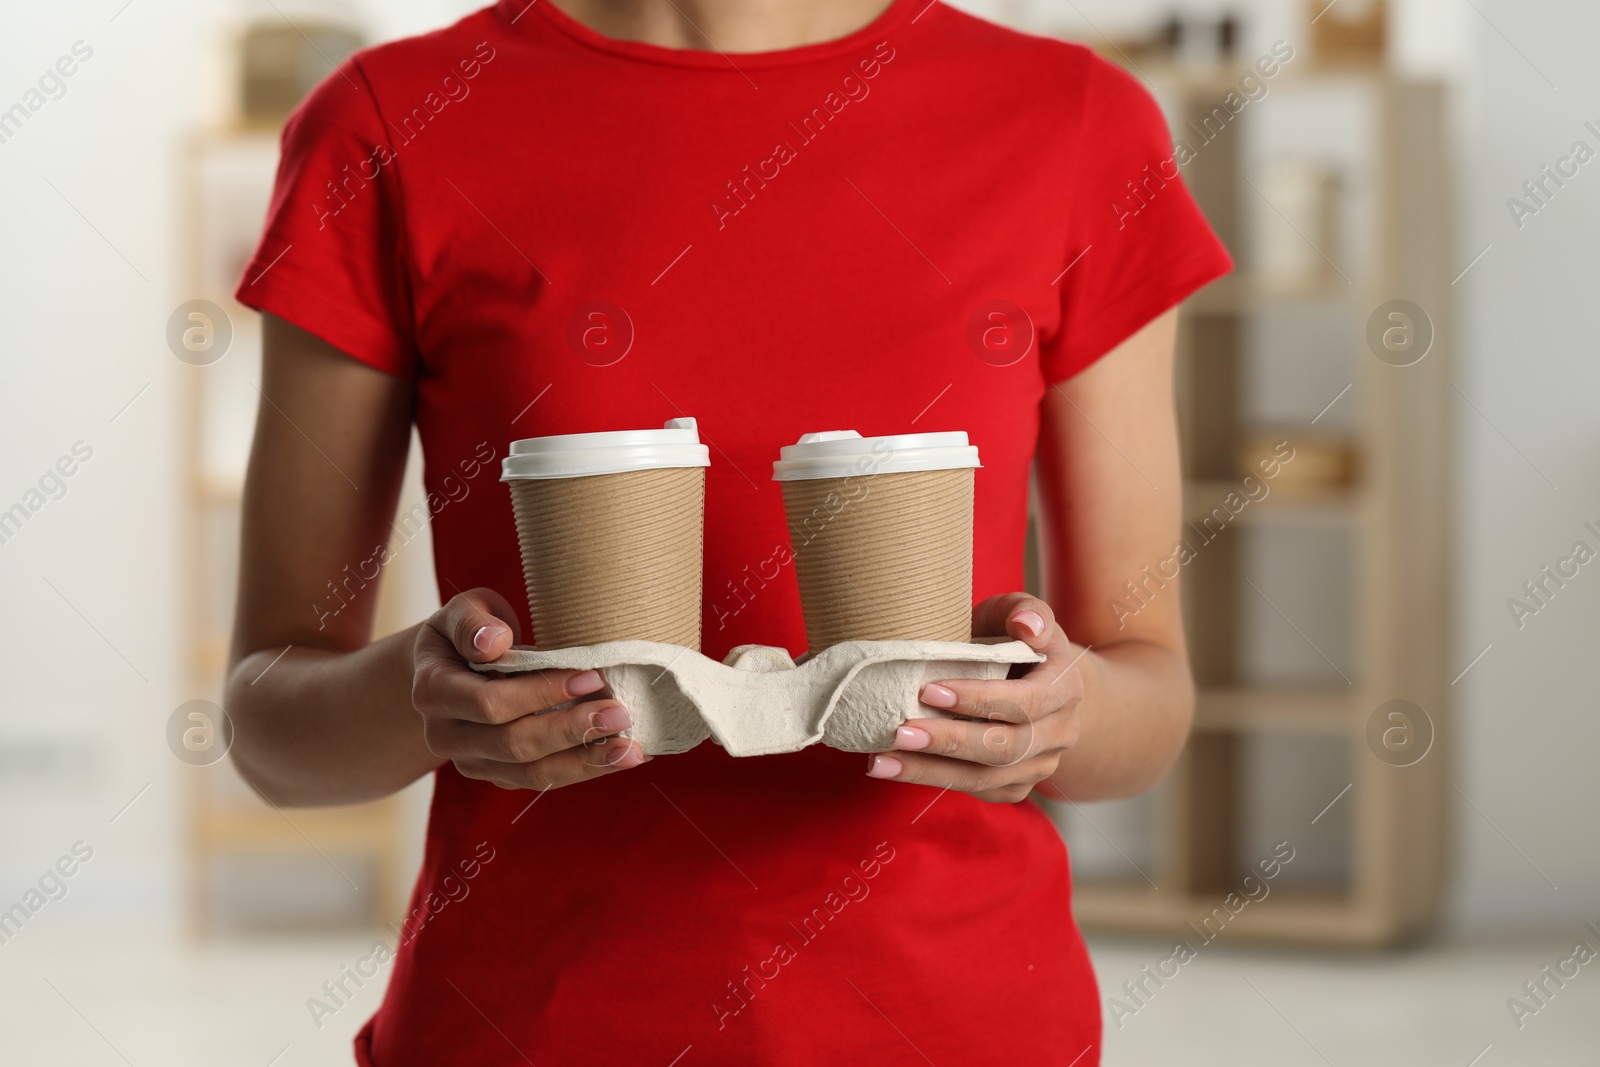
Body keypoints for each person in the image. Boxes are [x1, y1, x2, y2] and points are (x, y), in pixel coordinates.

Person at [226, 0, 1231, 1062]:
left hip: (957, 1021)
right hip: (532, 1024)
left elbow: (1148, 698)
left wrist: (1054, 714)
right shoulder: (391, 124)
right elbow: (270, 725)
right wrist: (426, 699)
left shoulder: (1075, 123)